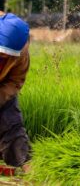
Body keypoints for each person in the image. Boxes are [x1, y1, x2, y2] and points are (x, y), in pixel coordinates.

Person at [0, 11, 31, 170]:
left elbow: (15, 81)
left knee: (11, 120)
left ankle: (23, 165)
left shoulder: (21, 53)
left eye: (6, 57)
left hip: (2, 86)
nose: (3, 58)